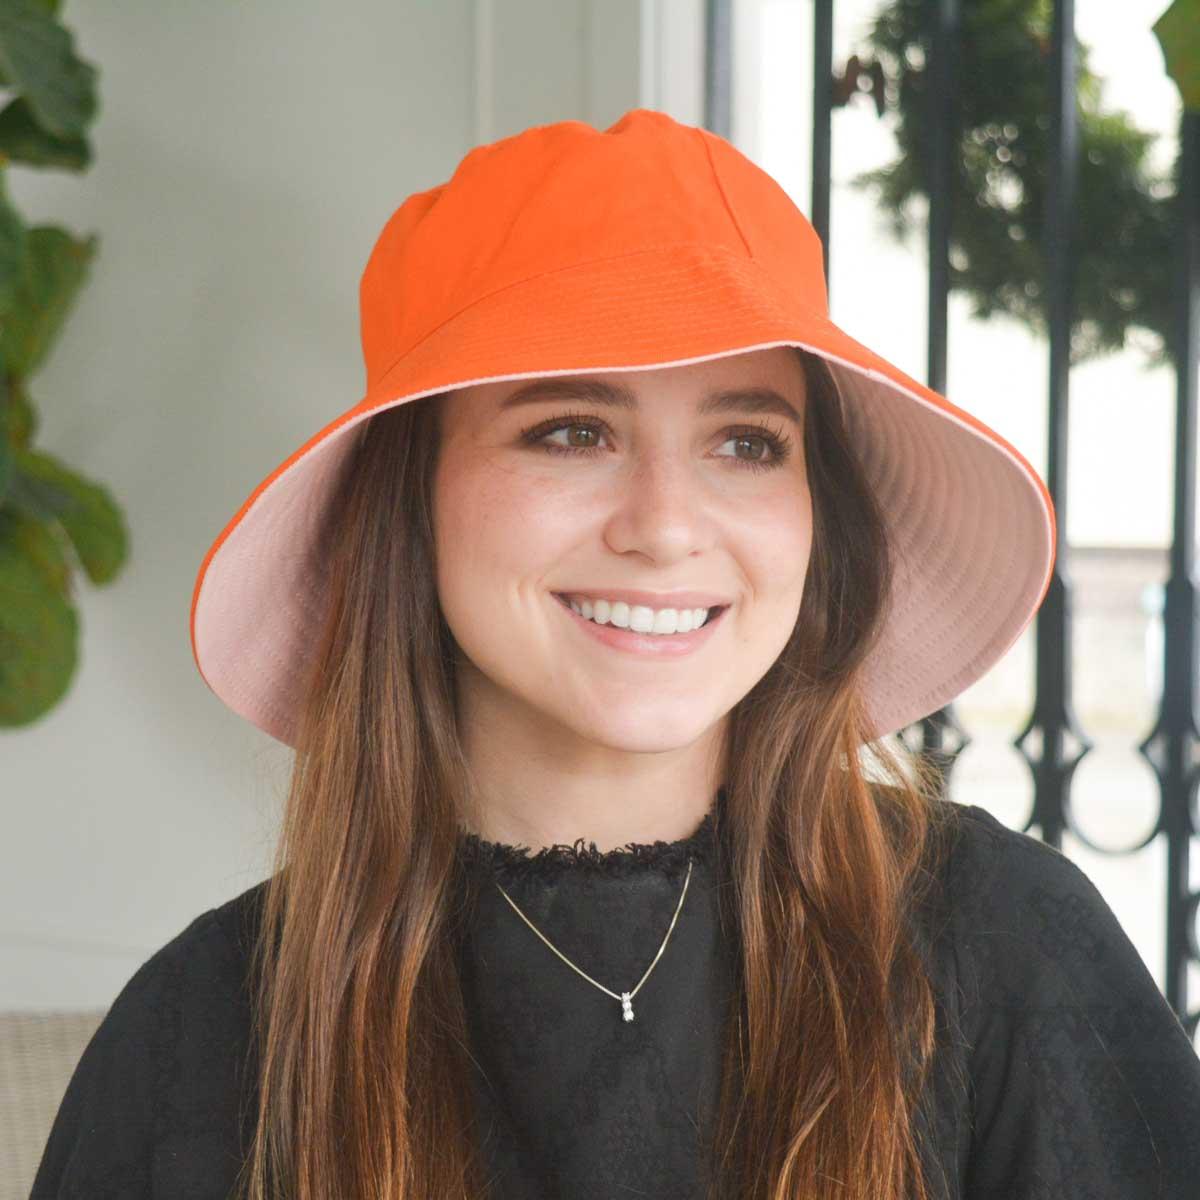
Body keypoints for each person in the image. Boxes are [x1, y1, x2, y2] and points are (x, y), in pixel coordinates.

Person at [29, 108, 1200, 1200]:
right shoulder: (204, 1036)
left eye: (747, 443)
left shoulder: (1001, 948)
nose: (667, 527)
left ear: (818, 517)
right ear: (411, 499)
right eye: (572, 431)